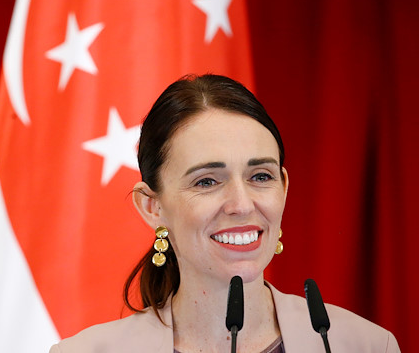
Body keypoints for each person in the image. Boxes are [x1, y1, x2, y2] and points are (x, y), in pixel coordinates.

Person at [49, 74, 400, 352]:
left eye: (260, 176)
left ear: (284, 187)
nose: (242, 204)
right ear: (152, 207)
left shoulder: (364, 346)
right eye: (207, 182)